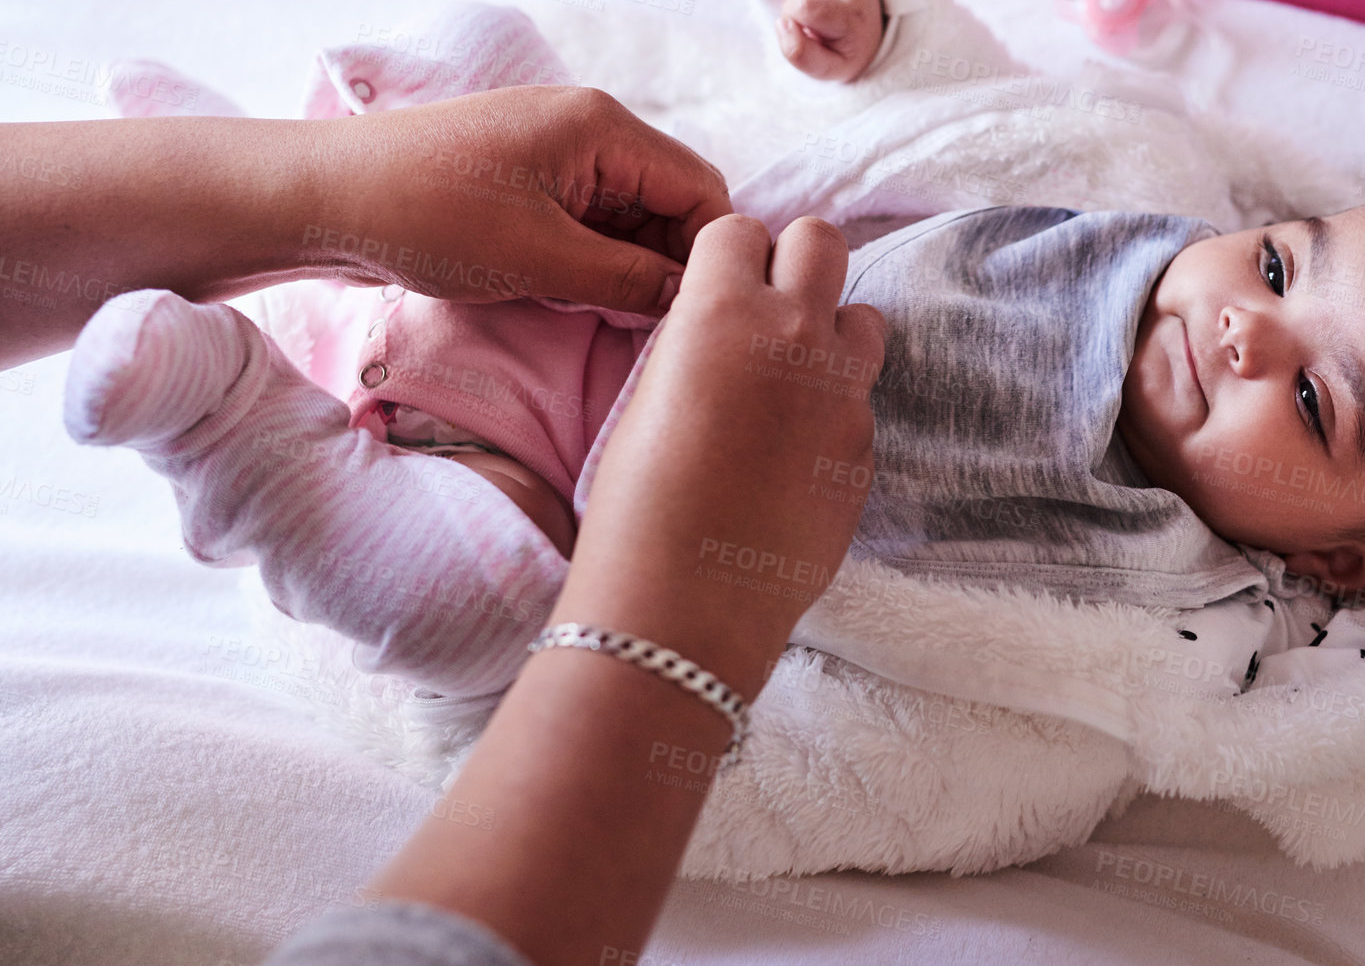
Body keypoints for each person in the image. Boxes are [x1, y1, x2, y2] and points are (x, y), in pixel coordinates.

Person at [1, 88, 885, 965]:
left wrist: (325, 185)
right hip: (548, 442)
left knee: (462, 575)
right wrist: (678, 612)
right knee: (492, 587)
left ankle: (231, 419)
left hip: (450, 396)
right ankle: (261, 442)